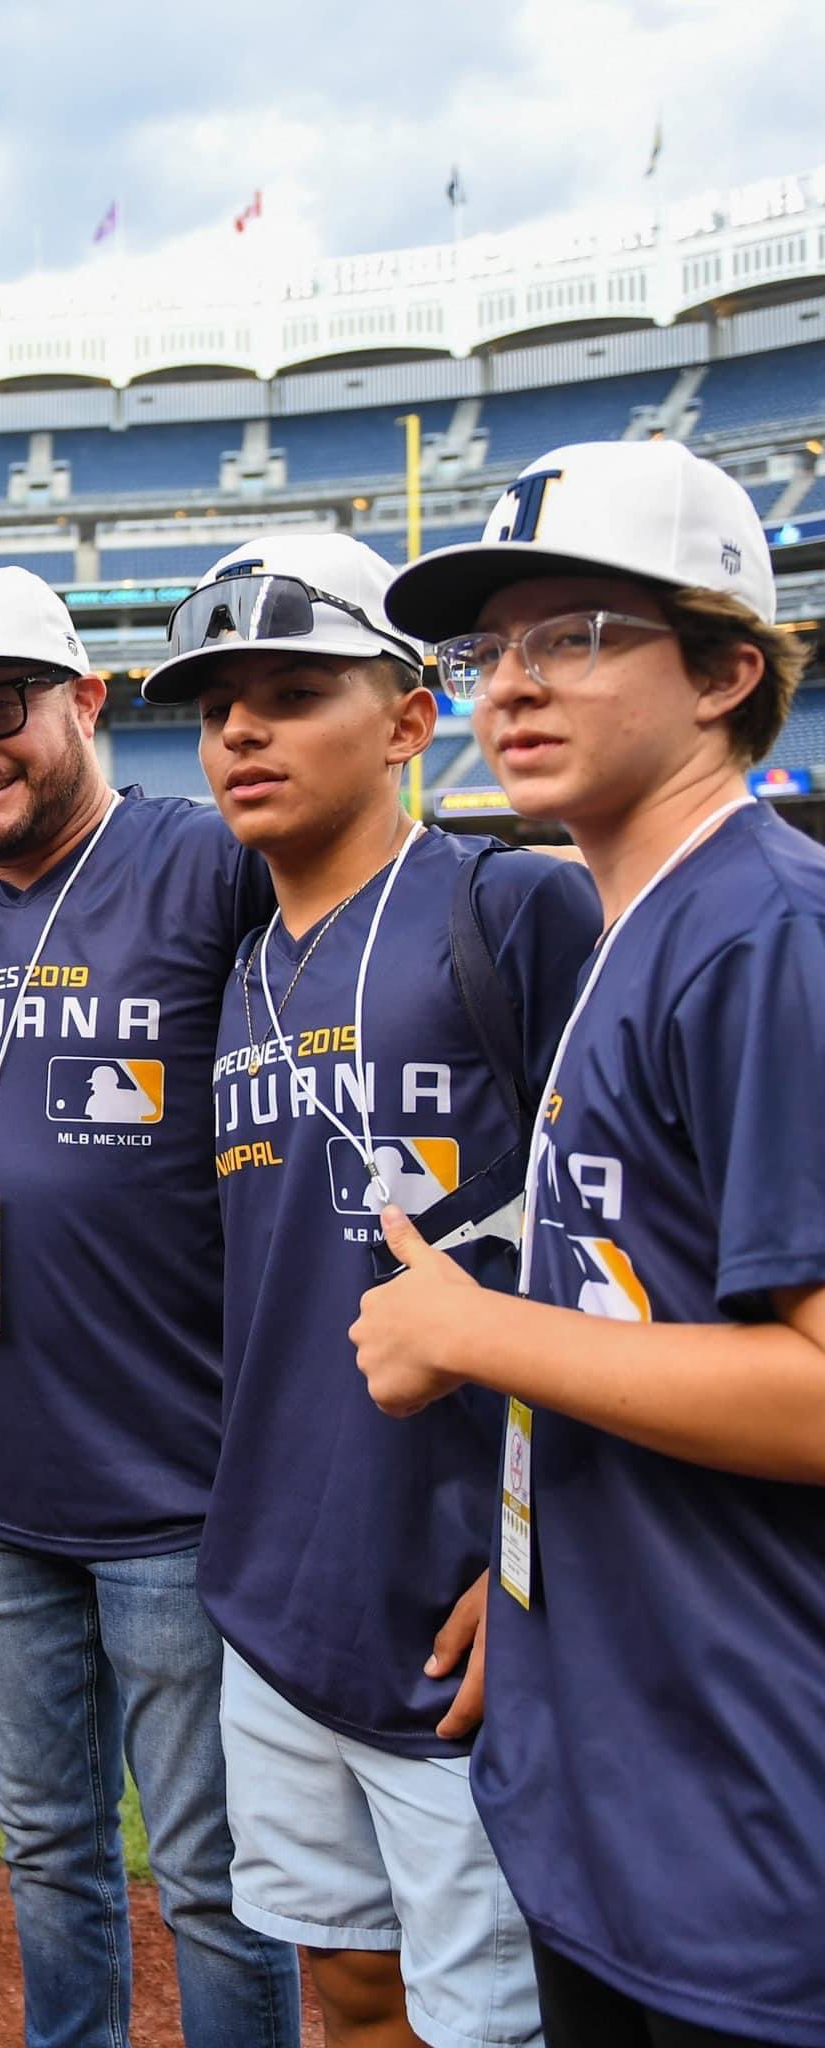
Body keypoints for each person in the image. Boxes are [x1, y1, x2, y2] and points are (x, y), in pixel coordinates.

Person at [358, 440, 825, 2048]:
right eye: (493, 651)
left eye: (580, 636)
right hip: (625, 1743)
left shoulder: (769, 933)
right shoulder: (648, 918)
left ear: (726, 672)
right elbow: (653, 1311)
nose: (512, 686)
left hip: (744, 1826)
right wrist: (540, 1565)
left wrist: (472, 1333)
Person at [142, 533, 599, 2048]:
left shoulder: (514, 909)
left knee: (490, 2021)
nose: (241, 734)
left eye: (291, 693)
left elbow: (634, 1256)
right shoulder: (237, 963)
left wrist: (556, 1558)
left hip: (465, 1600)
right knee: (340, 1982)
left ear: (409, 718)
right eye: (216, 709)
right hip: (279, 1587)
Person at [0, 567, 300, 2048]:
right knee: (47, 1851)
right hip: (2, 1486)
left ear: (88, 700)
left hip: (180, 1485)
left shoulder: (206, 861)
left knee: (216, 1878)